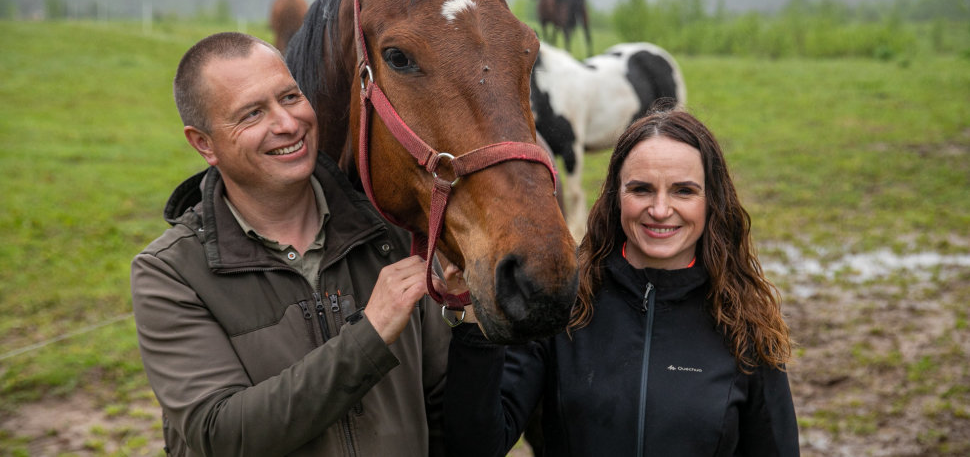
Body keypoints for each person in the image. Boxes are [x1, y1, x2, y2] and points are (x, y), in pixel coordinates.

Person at [131, 32, 451, 456]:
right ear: (204, 143)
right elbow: (221, 434)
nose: (287, 123)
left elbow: (449, 406)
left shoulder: (391, 235)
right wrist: (370, 333)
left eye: (290, 96)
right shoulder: (170, 272)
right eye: (252, 114)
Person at [442, 105, 799, 456]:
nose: (660, 210)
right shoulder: (565, 302)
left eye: (683, 191)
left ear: (712, 201)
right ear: (616, 197)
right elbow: (476, 445)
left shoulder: (745, 323)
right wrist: (474, 321)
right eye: (641, 189)